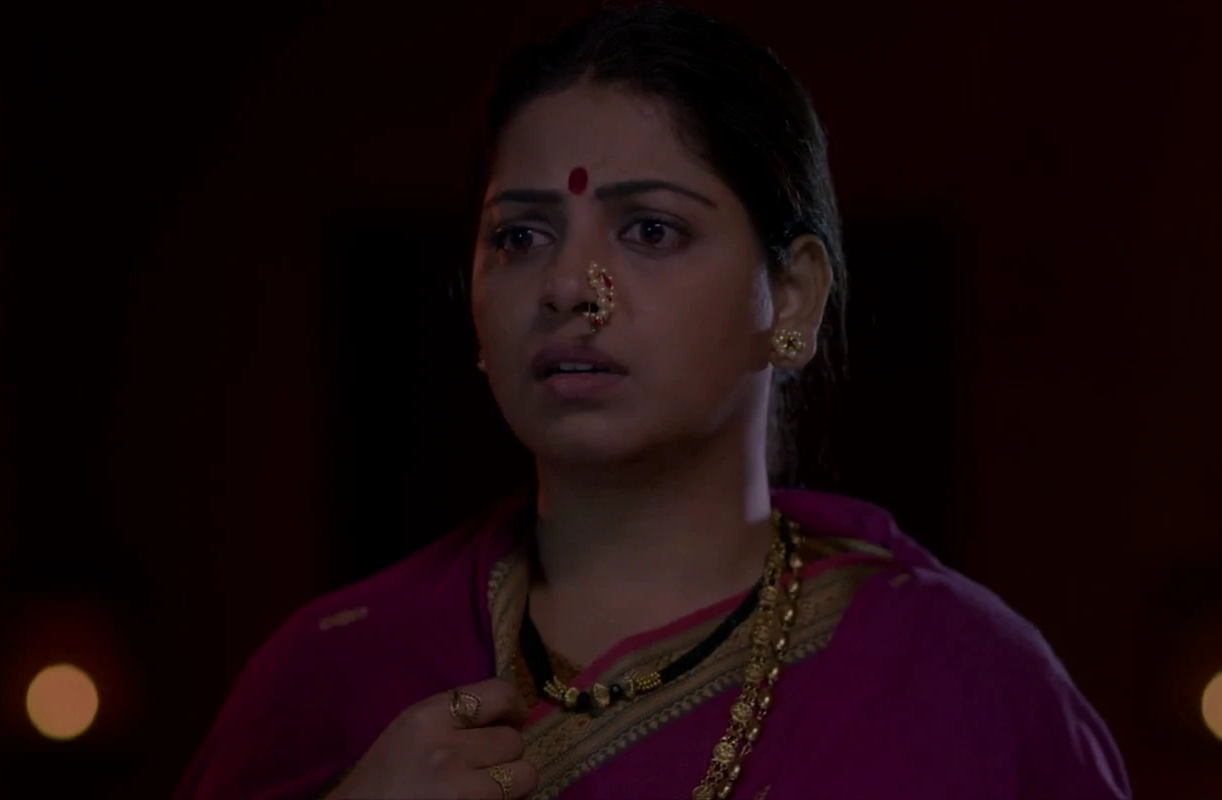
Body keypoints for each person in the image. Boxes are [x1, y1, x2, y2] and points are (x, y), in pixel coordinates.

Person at [176, 4, 1131, 799]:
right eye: (520, 237)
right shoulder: (336, 675)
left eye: (650, 230)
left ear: (793, 296)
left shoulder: (959, 686)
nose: (568, 286)